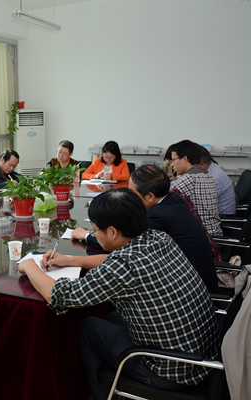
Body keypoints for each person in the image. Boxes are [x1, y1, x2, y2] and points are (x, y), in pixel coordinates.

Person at [18, 188, 219, 400]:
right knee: (112, 317)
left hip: (171, 372)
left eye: (95, 230)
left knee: (89, 327)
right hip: (203, 358)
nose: (94, 235)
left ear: (113, 232)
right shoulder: (159, 238)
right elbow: (111, 261)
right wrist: (70, 260)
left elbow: (59, 295)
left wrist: (28, 265)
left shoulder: (124, 265)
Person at [73, 165, 218, 292]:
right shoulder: (173, 199)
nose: (129, 197)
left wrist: (87, 236)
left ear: (150, 196)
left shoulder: (157, 216)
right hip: (194, 278)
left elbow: (122, 246)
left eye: (132, 193)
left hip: (188, 288)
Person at [169, 140, 222, 236]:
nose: (172, 164)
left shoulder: (190, 178)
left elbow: (162, 197)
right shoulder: (204, 173)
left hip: (204, 237)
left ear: (185, 159)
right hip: (211, 233)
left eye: (173, 160)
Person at [199, 147, 236, 215]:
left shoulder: (214, 178)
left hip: (222, 218)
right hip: (213, 213)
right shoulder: (212, 167)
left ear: (201, 164)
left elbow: (199, 203)